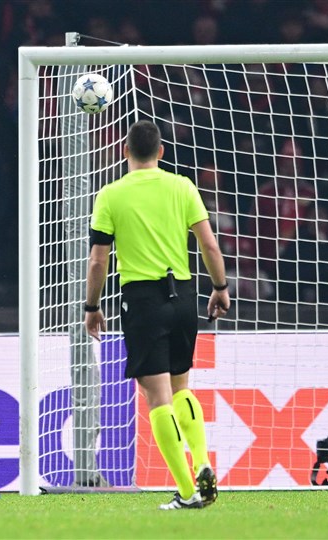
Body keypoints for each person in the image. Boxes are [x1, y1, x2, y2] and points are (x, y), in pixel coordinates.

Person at [84, 120, 230, 510]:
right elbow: (209, 244)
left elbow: (98, 260)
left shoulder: (111, 194)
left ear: (125, 152)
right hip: (183, 296)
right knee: (182, 388)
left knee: (157, 398)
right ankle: (202, 461)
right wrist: (220, 287)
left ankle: (187, 491)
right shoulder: (182, 186)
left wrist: (92, 307)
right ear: (161, 152)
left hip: (143, 299)